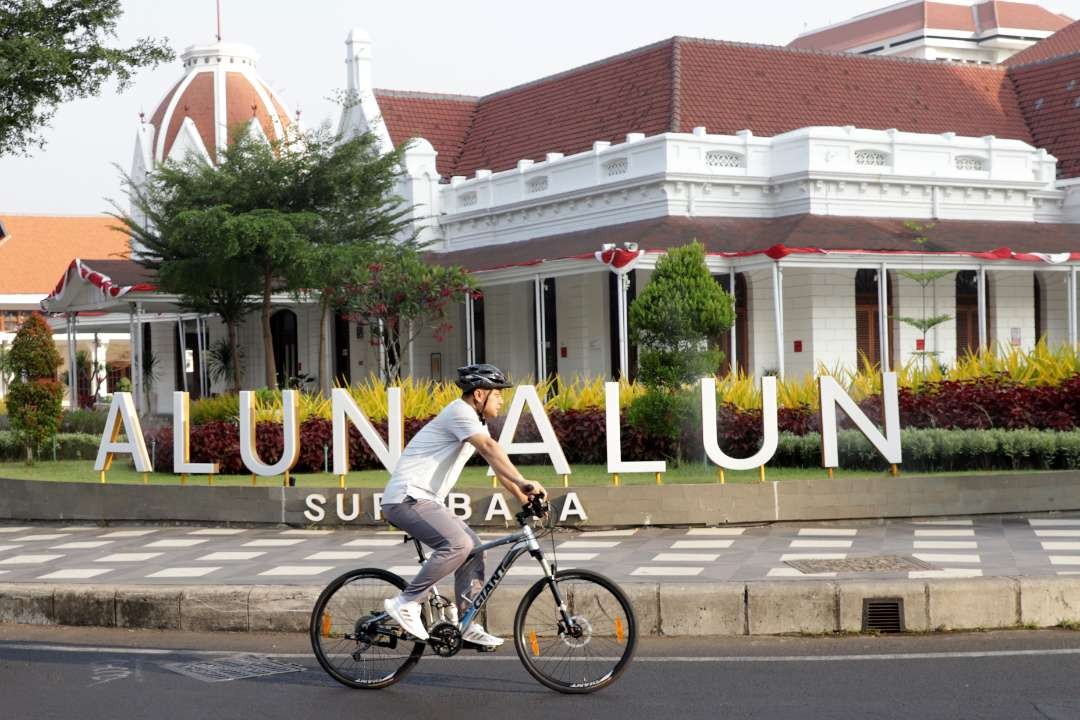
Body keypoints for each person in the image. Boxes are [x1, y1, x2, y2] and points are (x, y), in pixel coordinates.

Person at [381, 363, 547, 648]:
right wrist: (523, 481)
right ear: (480, 394)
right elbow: (491, 449)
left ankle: (467, 625)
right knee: (458, 543)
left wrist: (523, 498)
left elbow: (495, 463)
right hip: (407, 498)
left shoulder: (474, 422)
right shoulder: (460, 413)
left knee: (474, 549)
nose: (501, 399)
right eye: (497, 394)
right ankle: (406, 602)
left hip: (425, 500)